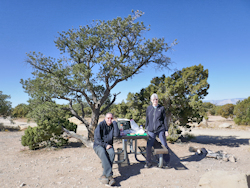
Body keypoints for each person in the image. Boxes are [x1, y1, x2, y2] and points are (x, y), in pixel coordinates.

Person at [144, 93, 170, 168]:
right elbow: (147, 119)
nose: (155, 101)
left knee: (164, 145)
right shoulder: (149, 108)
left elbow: (164, 119)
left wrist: (166, 130)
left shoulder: (161, 108)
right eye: (153, 99)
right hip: (151, 130)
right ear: (151, 100)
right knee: (149, 146)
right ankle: (148, 162)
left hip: (160, 129)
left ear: (158, 100)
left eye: (156, 99)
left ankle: (167, 162)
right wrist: (146, 128)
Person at [93, 112, 120, 186]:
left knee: (112, 153)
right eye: (108, 118)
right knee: (102, 152)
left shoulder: (113, 125)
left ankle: (104, 175)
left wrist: (115, 123)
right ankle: (110, 176)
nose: (109, 120)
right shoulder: (100, 125)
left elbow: (117, 135)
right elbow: (97, 139)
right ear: (105, 118)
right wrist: (105, 145)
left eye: (111, 118)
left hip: (109, 145)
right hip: (99, 145)